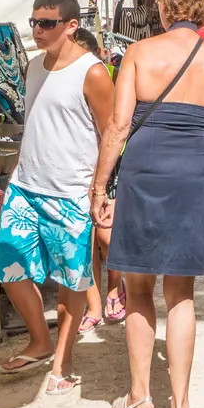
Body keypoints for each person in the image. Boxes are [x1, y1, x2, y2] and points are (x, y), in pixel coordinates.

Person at [95, 0, 204, 408]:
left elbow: (117, 127)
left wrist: (99, 188)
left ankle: (139, 399)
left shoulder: (138, 53)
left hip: (145, 172)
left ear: (161, 7)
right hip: (193, 176)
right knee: (182, 295)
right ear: (201, 10)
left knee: (138, 290)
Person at [0, 0, 115, 397]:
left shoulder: (93, 71)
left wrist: (100, 189)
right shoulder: (34, 67)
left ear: (71, 25)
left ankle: (62, 360)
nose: (37, 30)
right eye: (34, 22)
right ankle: (40, 340)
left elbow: (112, 133)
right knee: (8, 264)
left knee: (71, 282)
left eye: (47, 23)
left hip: (70, 191)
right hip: (26, 185)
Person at [72, 28, 125, 331]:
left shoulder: (109, 74)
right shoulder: (61, 76)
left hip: (108, 164)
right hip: (77, 167)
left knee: (106, 235)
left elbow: (117, 124)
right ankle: (93, 305)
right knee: (86, 243)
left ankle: (115, 289)